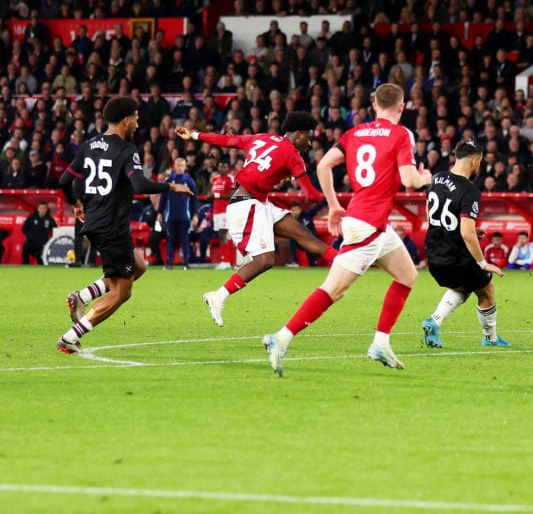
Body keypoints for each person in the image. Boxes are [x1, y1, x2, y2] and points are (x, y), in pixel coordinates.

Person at [262, 83, 433, 375]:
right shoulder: (401, 134)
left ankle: (381, 342)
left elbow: (324, 166)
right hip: (367, 226)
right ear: (402, 107)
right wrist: (424, 176)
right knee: (334, 290)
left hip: (372, 222)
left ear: (374, 104)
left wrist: (333, 205)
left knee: (407, 275)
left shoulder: (354, 133)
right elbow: (409, 180)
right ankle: (281, 338)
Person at [56, 96, 193, 354]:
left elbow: (64, 180)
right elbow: (139, 185)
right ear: (126, 119)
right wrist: (170, 186)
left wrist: (76, 203)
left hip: (95, 222)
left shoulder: (88, 145)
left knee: (138, 265)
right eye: (136, 118)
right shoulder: (127, 150)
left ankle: (82, 297)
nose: (138, 124)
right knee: (122, 292)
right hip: (111, 226)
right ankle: (70, 337)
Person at [175, 113, 338, 326]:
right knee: (265, 259)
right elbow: (310, 194)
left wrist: (195, 135)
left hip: (255, 202)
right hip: (248, 205)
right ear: (298, 134)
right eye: (308, 137)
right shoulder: (294, 156)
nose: (309, 143)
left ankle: (343, 259)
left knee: (300, 232)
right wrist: (327, 199)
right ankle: (218, 296)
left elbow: (228, 140)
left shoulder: (262, 138)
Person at [420, 140, 508, 349]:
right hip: (457, 256)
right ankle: (491, 339)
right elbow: (467, 234)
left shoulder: (437, 178)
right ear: (475, 161)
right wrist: (482, 262)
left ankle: (434, 322)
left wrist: (464, 227)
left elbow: (430, 213)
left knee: (465, 287)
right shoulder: (470, 191)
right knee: (486, 290)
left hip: (434, 254)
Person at [159, 157, 199, 269]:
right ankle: (169, 264)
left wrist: (195, 214)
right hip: (170, 216)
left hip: (185, 217)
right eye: (178, 165)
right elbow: (163, 198)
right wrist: (160, 212)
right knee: (170, 240)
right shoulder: (169, 181)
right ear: (174, 166)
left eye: (182, 165)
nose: (180, 167)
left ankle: (186, 263)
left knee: (185, 240)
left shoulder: (190, 181)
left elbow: (194, 200)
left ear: (185, 167)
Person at [209, 160, 235, 269]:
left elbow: (232, 194)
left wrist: (217, 195)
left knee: (223, 234)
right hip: (216, 211)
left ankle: (225, 261)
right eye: (221, 166)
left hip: (226, 210)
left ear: (228, 168)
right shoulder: (215, 179)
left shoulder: (230, 179)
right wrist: (210, 195)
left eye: (225, 167)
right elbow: (213, 193)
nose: (223, 169)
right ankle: (228, 262)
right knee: (225, 236)